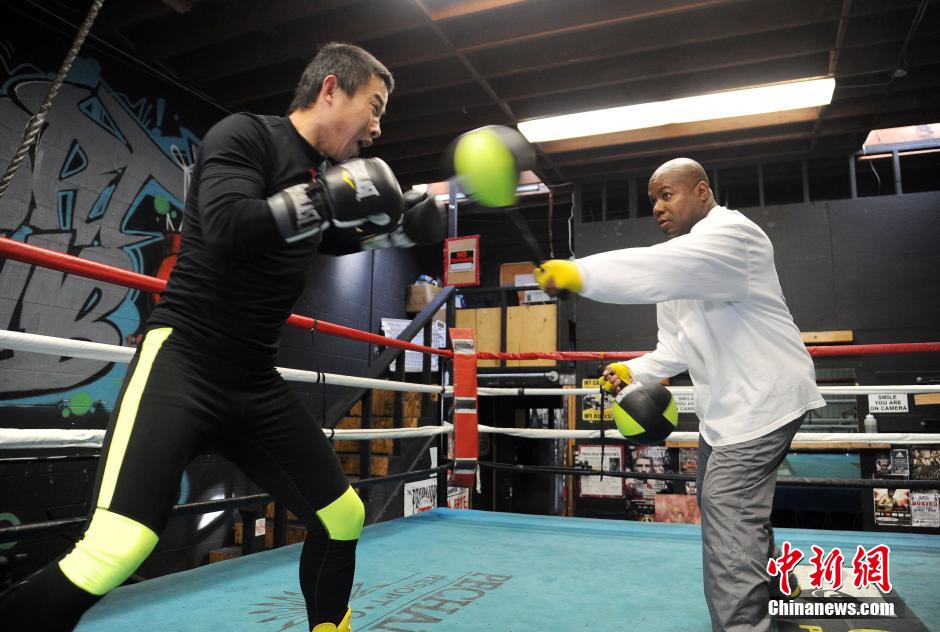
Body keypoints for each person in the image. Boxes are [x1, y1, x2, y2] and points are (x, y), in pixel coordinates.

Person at [0, 42, 443, 632]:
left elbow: (325, 239)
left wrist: (392, 234)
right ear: (332, 87)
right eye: (375, 106)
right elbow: (233, 224)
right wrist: (330, 197)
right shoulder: (244, 137)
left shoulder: (321, 175)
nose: (377, 128)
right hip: (184, 364)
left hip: (255, 381)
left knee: (342, 515)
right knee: (117, 546)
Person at [534, 157, 824, 632]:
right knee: (734, 518)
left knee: (729, 530)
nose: (657, 207)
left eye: (667, 195)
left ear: (702, 191)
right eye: (653, 200)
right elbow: (675, 348)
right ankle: (781, 614)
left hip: (764, 403)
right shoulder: (679, 273)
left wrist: (578, 273)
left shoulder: (735, 237)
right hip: (727, 413)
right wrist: (634, 368)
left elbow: (653, 266)